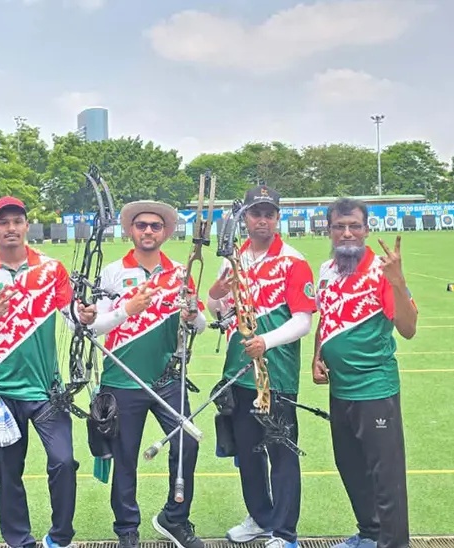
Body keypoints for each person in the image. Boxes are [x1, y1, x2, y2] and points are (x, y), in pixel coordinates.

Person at [0, 196, 97, 548]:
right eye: (3, 223)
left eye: (17, 221)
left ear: (26, 225)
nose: (11, 228)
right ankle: (19, 540)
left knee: (64, 462)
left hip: (47, 390)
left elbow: (72, 318)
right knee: (9, 473)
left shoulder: (51, 269)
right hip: (1, 393)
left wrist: (84, 316)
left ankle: (60, 537)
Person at [88, 201, 207, 548]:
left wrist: (192, 314)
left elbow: (200, 324)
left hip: (168, 378)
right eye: (141, 225)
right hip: (122, 379)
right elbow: (93, 326)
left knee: (186, 444)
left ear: (165, 232)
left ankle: (175, 518)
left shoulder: (180, 273)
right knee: (125, 457)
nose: (148, 231)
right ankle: (127, 528)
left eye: (156, 226)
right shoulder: (113, 272)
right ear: (131, 230)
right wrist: (127, 309)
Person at [206, 185, 317, 548]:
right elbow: (220, 313)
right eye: (256, 214)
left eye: (270, 214)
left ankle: (284, 533)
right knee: (249, 452)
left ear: (278, 218)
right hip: (239, 373)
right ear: (246, 218)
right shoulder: (233, 259)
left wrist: (265, 342)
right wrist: (215, 296)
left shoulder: (293, 261)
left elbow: (303, 320)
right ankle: (260, 517)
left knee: (281, 452)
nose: (263, 220)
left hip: (276, 374)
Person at [311, 198, 417, 548]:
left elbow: (408, 328)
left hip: (375, 389)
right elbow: (327, 317)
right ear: (329, 231)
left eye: (354, 226)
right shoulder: (326, 270)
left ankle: (393, 543)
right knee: (350, 467)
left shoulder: (381, 272)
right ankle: (370, 534)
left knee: (385, 477)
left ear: (366, 230)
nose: (347, 233)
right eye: (339, 227)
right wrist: (317, 355)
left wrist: (398, 283)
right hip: (340, 389)